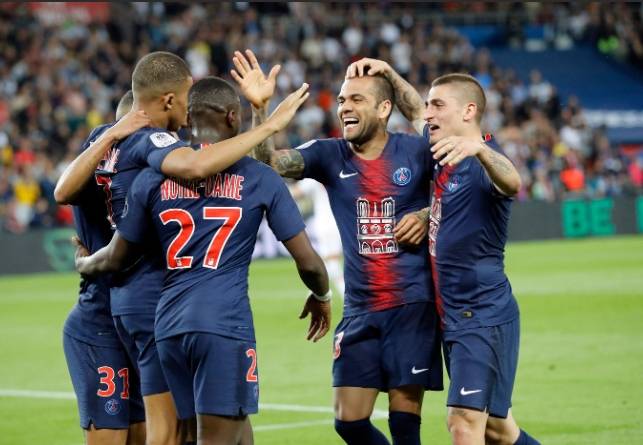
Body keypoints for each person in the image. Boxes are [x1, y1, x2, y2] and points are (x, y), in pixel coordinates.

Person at [54, 51, 311, 445]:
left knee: (171, 431)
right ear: (169, 100)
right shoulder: (155, 143)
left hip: (108, 302)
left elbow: (63, 191)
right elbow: (200, 166)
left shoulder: (104, 141)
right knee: (176, 432)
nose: (190, 112)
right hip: (151, 298)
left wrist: (110, 134)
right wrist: (269, 123)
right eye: (187, 99)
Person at [231, 49, 443, 445]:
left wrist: (427, 213)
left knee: (404, 425)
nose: (344, 106)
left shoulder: (415, 150)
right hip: (360, 308)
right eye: (343, 99)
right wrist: (260, 111)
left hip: (410, 306)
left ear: (384, 108)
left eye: (357, 99)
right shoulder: (330, 154)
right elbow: (268, 165)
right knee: (348, 422)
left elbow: (463, 191)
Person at [348, 58, 540, 445]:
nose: (427, 113)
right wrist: (387, 74)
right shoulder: (442, 151)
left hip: (481, 314)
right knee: (498, 431)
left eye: (438, 105)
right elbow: (411, 108)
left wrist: (479, 149)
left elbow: (513, 182)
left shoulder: (484, 160)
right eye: (429, 105)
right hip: (452, 317)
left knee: (463, 422)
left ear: (469, 112)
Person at [60, 96, 149, 445]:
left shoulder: (148, 169)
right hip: (100, 322)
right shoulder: (97, 164)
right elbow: (63, 191)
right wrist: (112, 134)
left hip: (140, 325)